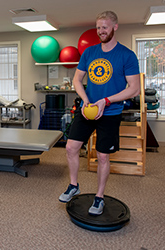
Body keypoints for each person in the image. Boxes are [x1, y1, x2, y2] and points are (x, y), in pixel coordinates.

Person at [58, 11, 140, 215]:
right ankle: (73, 185)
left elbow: (134, 88)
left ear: (115, 27)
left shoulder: (127, 55)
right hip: (88, 110)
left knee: (103, 156)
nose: (101, 31)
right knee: (71, 147)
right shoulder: (89, 53)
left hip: (110, 112)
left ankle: (99, 197)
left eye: (105, 27)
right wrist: (86, 101)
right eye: (98, 27)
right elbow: (77, 79)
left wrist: (106, 101)